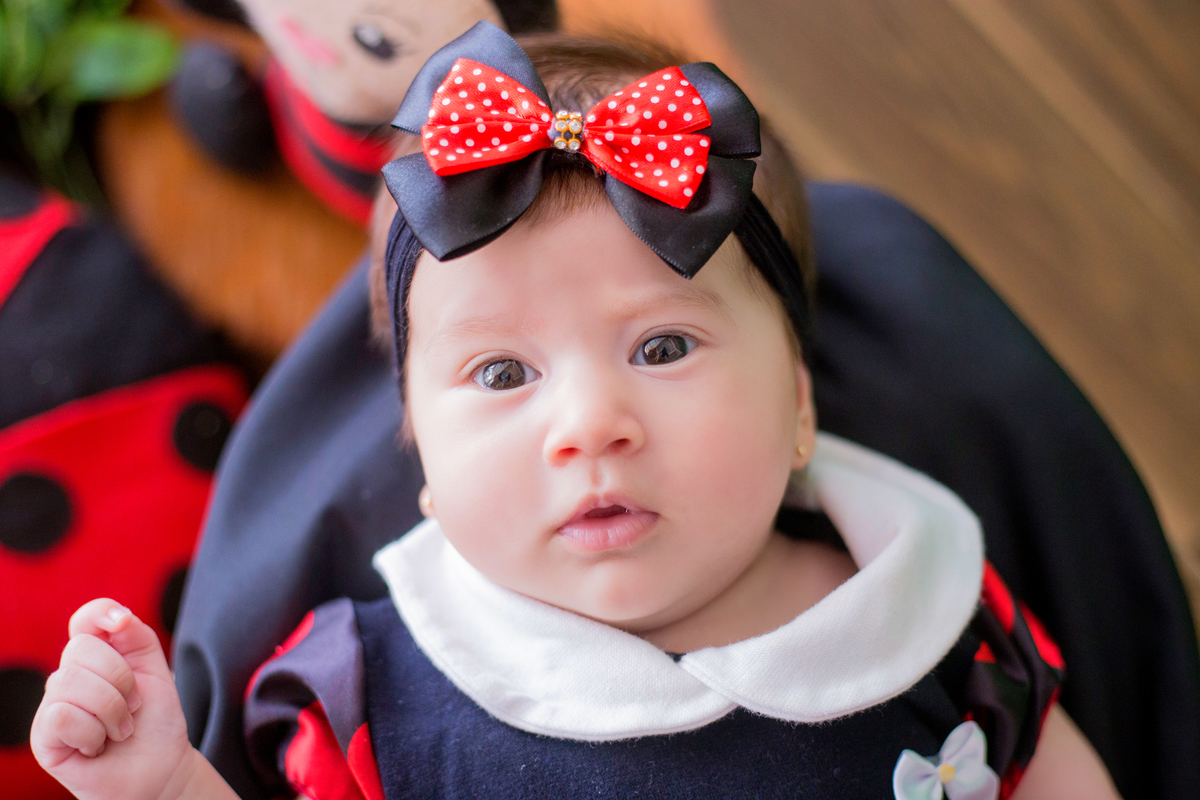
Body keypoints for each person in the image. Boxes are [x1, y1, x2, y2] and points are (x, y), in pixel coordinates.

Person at [30, 23, 1122, 800]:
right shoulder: (368, 696)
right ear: (418, 451)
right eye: (503, 374)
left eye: (662, 345)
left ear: (797, 403)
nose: (591, 422)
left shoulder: (932, 616)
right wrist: (167, 782)